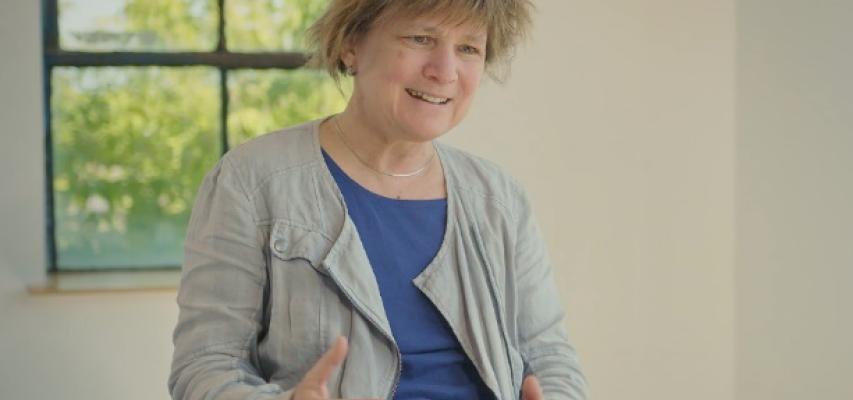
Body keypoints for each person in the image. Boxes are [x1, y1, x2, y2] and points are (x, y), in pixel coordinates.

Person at [167, 1, 587, 399]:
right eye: (421, 39)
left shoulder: (501, 199)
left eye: (468, 48)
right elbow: (205, 366)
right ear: (352, 45)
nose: (445, 71)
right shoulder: (251, 180)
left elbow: (550, 358)